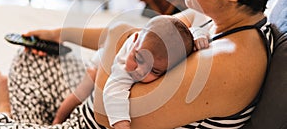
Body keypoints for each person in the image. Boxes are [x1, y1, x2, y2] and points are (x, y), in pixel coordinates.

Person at [0, 0, 286, 128]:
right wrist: (58, 33)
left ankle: (8, 111)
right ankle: (18, 114)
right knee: (32, 58)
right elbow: (141, 36)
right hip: (95, 94)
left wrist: (118, 37)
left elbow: (107, 114)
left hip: (97, 120)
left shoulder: (229, 64)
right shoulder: (215, 18)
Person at [52, 15, 209, 127]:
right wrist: (122, 124)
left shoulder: (166, 52)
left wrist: (199, 37)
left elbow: (191, 30)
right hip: (100, 61)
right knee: (80, 93)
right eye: (139, 59)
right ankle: (57, 119)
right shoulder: (125, 67)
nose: (139, 71)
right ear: (134, 40)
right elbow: (112, 92)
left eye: (154, 70)